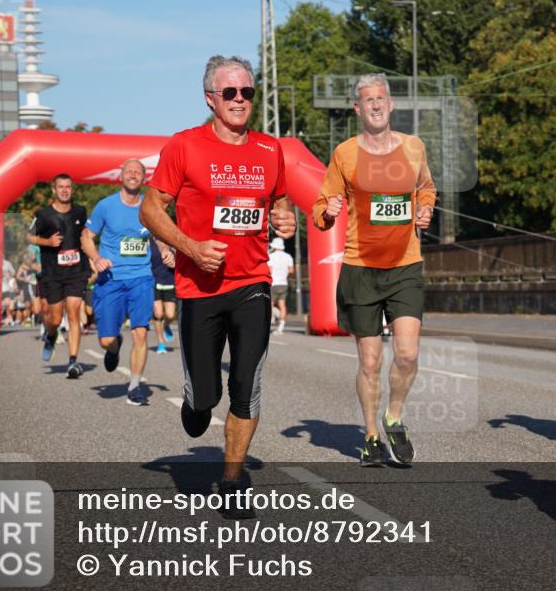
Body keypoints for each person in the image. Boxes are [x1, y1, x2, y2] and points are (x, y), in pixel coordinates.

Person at [141, 54, 296, 519]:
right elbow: (150, 211)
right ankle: (195, 400)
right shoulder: (184, 147)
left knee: (247, 386)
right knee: (205, 402)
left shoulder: (271, 150)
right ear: (210, 98)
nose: (240, 100)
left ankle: (232, 480)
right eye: (230, 92)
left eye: (247, 92)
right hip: (200, 287)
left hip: (252, 282)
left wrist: (285, 215)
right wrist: (188, 246)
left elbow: (281, 201)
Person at [312, 73, 437, 468]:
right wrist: (326, 213)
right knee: (369, 362)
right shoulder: (344, 153)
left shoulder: (414, 147)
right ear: (358, 108)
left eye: (381, 98)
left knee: (407, 354)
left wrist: (425, 207)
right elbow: (319, 206)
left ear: (391, 103)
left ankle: (394, 416)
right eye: (368, 100)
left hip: (405, 266)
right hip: (360, 268)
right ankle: (369, 436)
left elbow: (427, 187)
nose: (377, 104)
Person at [82, 159, 156, 406]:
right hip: (111, 279)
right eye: (129, 171)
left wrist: (167, 250)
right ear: (121, 176)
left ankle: (135, 387)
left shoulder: (150, 206)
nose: (133, 174)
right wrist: (97, 257)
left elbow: (162, 233)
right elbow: (87, 237)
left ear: (143, 178)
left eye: (138, 172)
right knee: (106, 340)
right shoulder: (105, 206)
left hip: (141, 277)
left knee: (141, 333)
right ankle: (114, 348)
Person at [27, 174, 91, 377]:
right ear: (54, 190)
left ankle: (73, 361)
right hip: (53, 273)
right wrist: (47, 242)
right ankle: (51, 335)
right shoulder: (44, 215)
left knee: (73, 312)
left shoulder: (80, 211)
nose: (64, 190)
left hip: (76, 272)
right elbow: (27, 235)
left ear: (72, 190)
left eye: (68, 187)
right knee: (54, 318)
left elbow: (85, 236)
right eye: (60, 187)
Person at [150, 235, 177, 353]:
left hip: (170, 282)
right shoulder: (149, 242)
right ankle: (161, 343)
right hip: (154, 282)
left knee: (170, 315)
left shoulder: (171, 241)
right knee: (158, 313)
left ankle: (165, 326)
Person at [267, 237, 294, 334]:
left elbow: (269, 270)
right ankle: (281, 327)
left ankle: (268, 324)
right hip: (284, 283)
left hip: (274, 283)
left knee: (270, 304)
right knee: (282, 305)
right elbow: (291, 270)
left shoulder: (271, 256)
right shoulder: (288, 257)